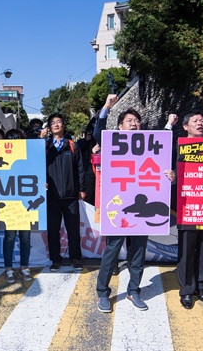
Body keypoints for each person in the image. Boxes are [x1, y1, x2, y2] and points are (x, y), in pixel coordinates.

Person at [94, 94, 175, 312]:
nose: (134, 123)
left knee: (138, 253)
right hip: (119, 209)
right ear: (119, 126)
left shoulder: (148, 144)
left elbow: (165, 146)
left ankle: (134, 290)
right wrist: (106, 108)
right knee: (111, 252)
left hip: (143, 212)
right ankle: (103, 293)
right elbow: (97, 134)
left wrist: (169, 175)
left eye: (136, 121)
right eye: (129, 121)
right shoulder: (113, 142)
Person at [173, 112, 203, 309]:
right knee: (187, 248)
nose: (199, 124)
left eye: (202, 121)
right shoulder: (177, 146)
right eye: (195, 121)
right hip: (187, 204)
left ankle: (202, 286)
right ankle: (187, 290)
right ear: (185, 126)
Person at [45, 113, 86, 271]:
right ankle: (55, 259)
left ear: (63, 125)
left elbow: (80, 169)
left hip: (71, 196)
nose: (56, 125)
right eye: (53, 122)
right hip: (51, 197)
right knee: (53, 230)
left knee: (73, 229)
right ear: (49, 128)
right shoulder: (45, 147)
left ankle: (75, 258)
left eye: (59, 122)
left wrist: (81, 189)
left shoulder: (72, 145)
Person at [2, 129, 33, 283]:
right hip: (9, 204)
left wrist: (42, 185)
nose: (14, 141)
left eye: (17, 139)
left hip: (26, 203)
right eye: (10, 139)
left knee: (25, 238)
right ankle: (8, 269)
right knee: (10, 237)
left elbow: (37, 174)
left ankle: (24, 267)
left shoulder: (28, 156)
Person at [76, 119, 98, 206]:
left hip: (96, 173)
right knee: (88, 198)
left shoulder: (97, 143)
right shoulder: (82, 142)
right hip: (87, 172)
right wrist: (86, 140)